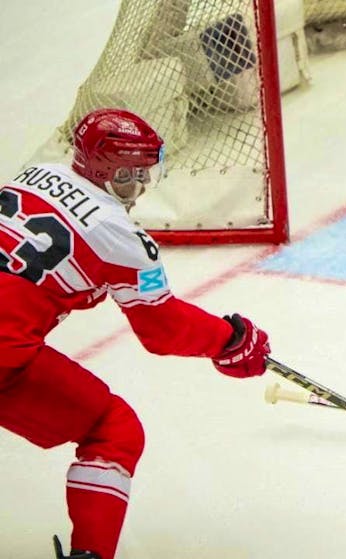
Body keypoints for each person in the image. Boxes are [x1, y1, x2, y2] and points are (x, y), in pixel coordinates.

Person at [0, 108, 272, 559]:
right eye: (133, 176)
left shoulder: (36, 173)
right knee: (114, 430)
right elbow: (161, 330)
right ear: (108, 172)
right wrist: (229, 340)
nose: (141, 188)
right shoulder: (121, 236)